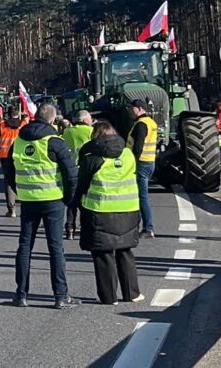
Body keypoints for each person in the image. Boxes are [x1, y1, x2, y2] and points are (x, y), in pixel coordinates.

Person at [5, 104, 80, 309]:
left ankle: (21, 294)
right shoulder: (54, 141)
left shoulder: (19, 140)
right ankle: (60, 296)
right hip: (53, 199)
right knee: (55, 248)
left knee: (24, 247)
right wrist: (68, 197)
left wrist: (20, 190)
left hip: (28, 200)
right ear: (52, 120)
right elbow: (71, 173)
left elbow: (9, 172)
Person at [74, 121, 144, 305]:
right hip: (129, 209)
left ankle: (108, 297)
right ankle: (132, 293)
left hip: (100, 211)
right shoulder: (128, 154)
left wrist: (74, 206)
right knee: (125, 251)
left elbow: (81, 186)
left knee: (103, 254)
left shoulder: (92, 159)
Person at [126, 99, 157, 239]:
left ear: (139, 109)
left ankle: (147, 228)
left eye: (131, 108)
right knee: (140, 196)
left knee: (141, 197)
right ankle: (139, 226)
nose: (130, 111)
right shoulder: (151, 123)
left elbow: (138, 147)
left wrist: (131, 163)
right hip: (149, 162)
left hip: (141, 163)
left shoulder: (141, 125)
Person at [62, 110, 94, 240]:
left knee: (72, 201)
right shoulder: (91, 132)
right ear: (86, 120)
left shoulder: (67, 132)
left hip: (71, 169)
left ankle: (70, 228)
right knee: (86, 200)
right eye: (91, 118)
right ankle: (85, 226)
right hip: (86, 169)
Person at [0, 106, 23, 217]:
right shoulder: (24, 125)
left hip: (5, 158)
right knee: (23, 181)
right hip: (21, 157)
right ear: (18, 113)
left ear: (7, 114)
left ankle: (12, 209)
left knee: (9, 182)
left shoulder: (1, 126)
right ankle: (25, 206)